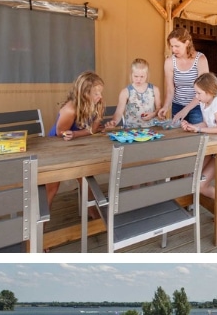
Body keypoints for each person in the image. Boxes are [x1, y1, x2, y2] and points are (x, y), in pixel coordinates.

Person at [46, 71, 106, 206]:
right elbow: (61, 134)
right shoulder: (70, 110)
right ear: (85, 94)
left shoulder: (96, 104)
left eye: (101, 93)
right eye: (96, 94)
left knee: (86, 178)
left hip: (77, 146)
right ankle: (40, 224)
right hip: (57, 148)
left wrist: (98, 117)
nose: (100, 96)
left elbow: (94, 130)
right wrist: (83, 133)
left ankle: (93, 214)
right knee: (52, 188)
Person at [181, 72, 217, 200]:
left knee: (200, 185)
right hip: (211, 149)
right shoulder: (203, 102)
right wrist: (192, 126)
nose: (196, 96)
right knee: (190, 173)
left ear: (209, 92)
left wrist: (199, 129)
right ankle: (190, 204)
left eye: (199, 93)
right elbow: (207, 122)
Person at [156, 27, 209, 126]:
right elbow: (170, 89)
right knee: (178, 136)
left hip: (197, 106)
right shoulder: (169, 62)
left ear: (187, 43)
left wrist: (185, 110)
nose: (173, 50)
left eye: (177, 46)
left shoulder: (200, 59)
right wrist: (165, 107)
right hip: (177, 105)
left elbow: (204, 90)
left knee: (195, 137)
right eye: (171, 46)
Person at [105, 58, 161, 129]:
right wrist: (113, 122)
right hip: (131, 130)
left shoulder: (154, 90)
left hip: (151, 129)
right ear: (131, 74)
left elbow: (159, 108)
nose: (138, 79)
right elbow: (119, 112)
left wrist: (153, 114)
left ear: (147, 75)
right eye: (136, 76)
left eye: (142, 77)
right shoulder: (125, 92)